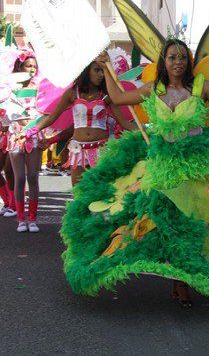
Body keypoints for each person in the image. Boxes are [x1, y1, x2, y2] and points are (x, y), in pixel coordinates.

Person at [59, 41, 209, 311]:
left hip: (197, 168)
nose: (178, 62)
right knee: (166, 224)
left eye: (183, 57)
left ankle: (190, 276)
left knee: (200, 225)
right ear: (164, 61)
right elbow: (117, 99)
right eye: (173, 57)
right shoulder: (154, 89)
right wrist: (106, 67)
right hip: (163, 168)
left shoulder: (200, 86)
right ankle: (179, 281)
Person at [24, 60, 135, 186]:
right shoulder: (72, 93)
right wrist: (31, 131)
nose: (101, 75)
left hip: (101, 150)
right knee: (78, 194)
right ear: (86, 71)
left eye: (103, 71)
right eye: (97, 70)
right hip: (78, 151)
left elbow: (124, 123)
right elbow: (51, 118)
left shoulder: (106, 96)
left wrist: (146, 132)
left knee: (99, 193)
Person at [8, 52, 43, 233]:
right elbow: (9, 114)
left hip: (34, 137)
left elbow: (46, 110)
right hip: (16, 137)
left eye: (34, 67)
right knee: (20, 178)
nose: (32, 69)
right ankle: (21, 219)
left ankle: (33, 218)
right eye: (28, 66)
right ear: (20, 68)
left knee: (33, 177)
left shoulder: (40, 89)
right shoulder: (9, 88)